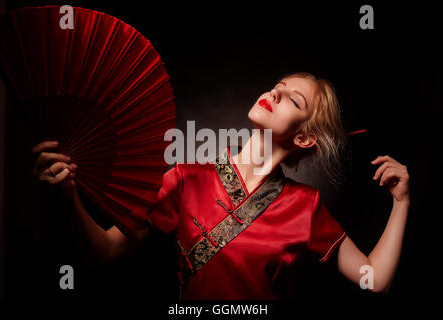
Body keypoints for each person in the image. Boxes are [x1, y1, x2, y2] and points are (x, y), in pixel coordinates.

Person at [31, 72, 410, 299]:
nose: (274, 93)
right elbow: (106, 251)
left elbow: (373, 280)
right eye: (276, 86)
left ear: (305, 138)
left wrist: (401, 202)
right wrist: (69, 196)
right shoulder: (184, 177)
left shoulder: (305, 205)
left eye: (292, 99)